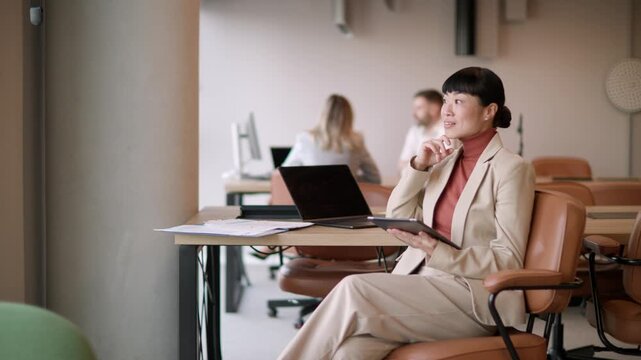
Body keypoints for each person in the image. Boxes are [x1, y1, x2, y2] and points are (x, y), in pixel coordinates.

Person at [277, 67, 535, 360]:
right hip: (422, 282)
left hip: (472, 297)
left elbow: (508, 258)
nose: (446, 111)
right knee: (350, 352)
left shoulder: (511, 168)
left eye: (458, 102)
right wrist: (419, 166)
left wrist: (442, 253)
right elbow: (396, 214)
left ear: (490, 110)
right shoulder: (445, 160)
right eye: (445, 101)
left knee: (354, 288)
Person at [281, 94, 381, 184]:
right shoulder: (356, 142)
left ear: (323, 114)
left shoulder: (305, 139)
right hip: (346, 200)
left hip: (310, 200)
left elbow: (283, 175)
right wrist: (351, 180)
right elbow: (374, 178)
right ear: (349, 117)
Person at [397, 89, 446, 173]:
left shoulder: (449, 131)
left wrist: (414, 165)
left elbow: (445, 167)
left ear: (434, 108)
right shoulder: (414, 131)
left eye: (418, 108)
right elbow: (401, 165)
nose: (413, 113)